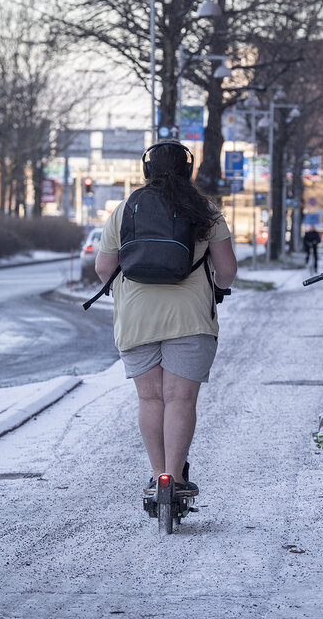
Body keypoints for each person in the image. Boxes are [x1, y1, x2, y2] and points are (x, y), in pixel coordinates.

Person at [95, 141, 237, 498]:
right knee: (179, 400)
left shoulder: (126, 208)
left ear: (147, 170)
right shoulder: (205, 210)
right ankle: (175, 478)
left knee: (150, 400)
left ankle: (156, 475)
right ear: (188, 170)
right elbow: (228, 272)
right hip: (190, 318)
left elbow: (103, 269)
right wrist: (216, 287)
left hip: (136, 319)